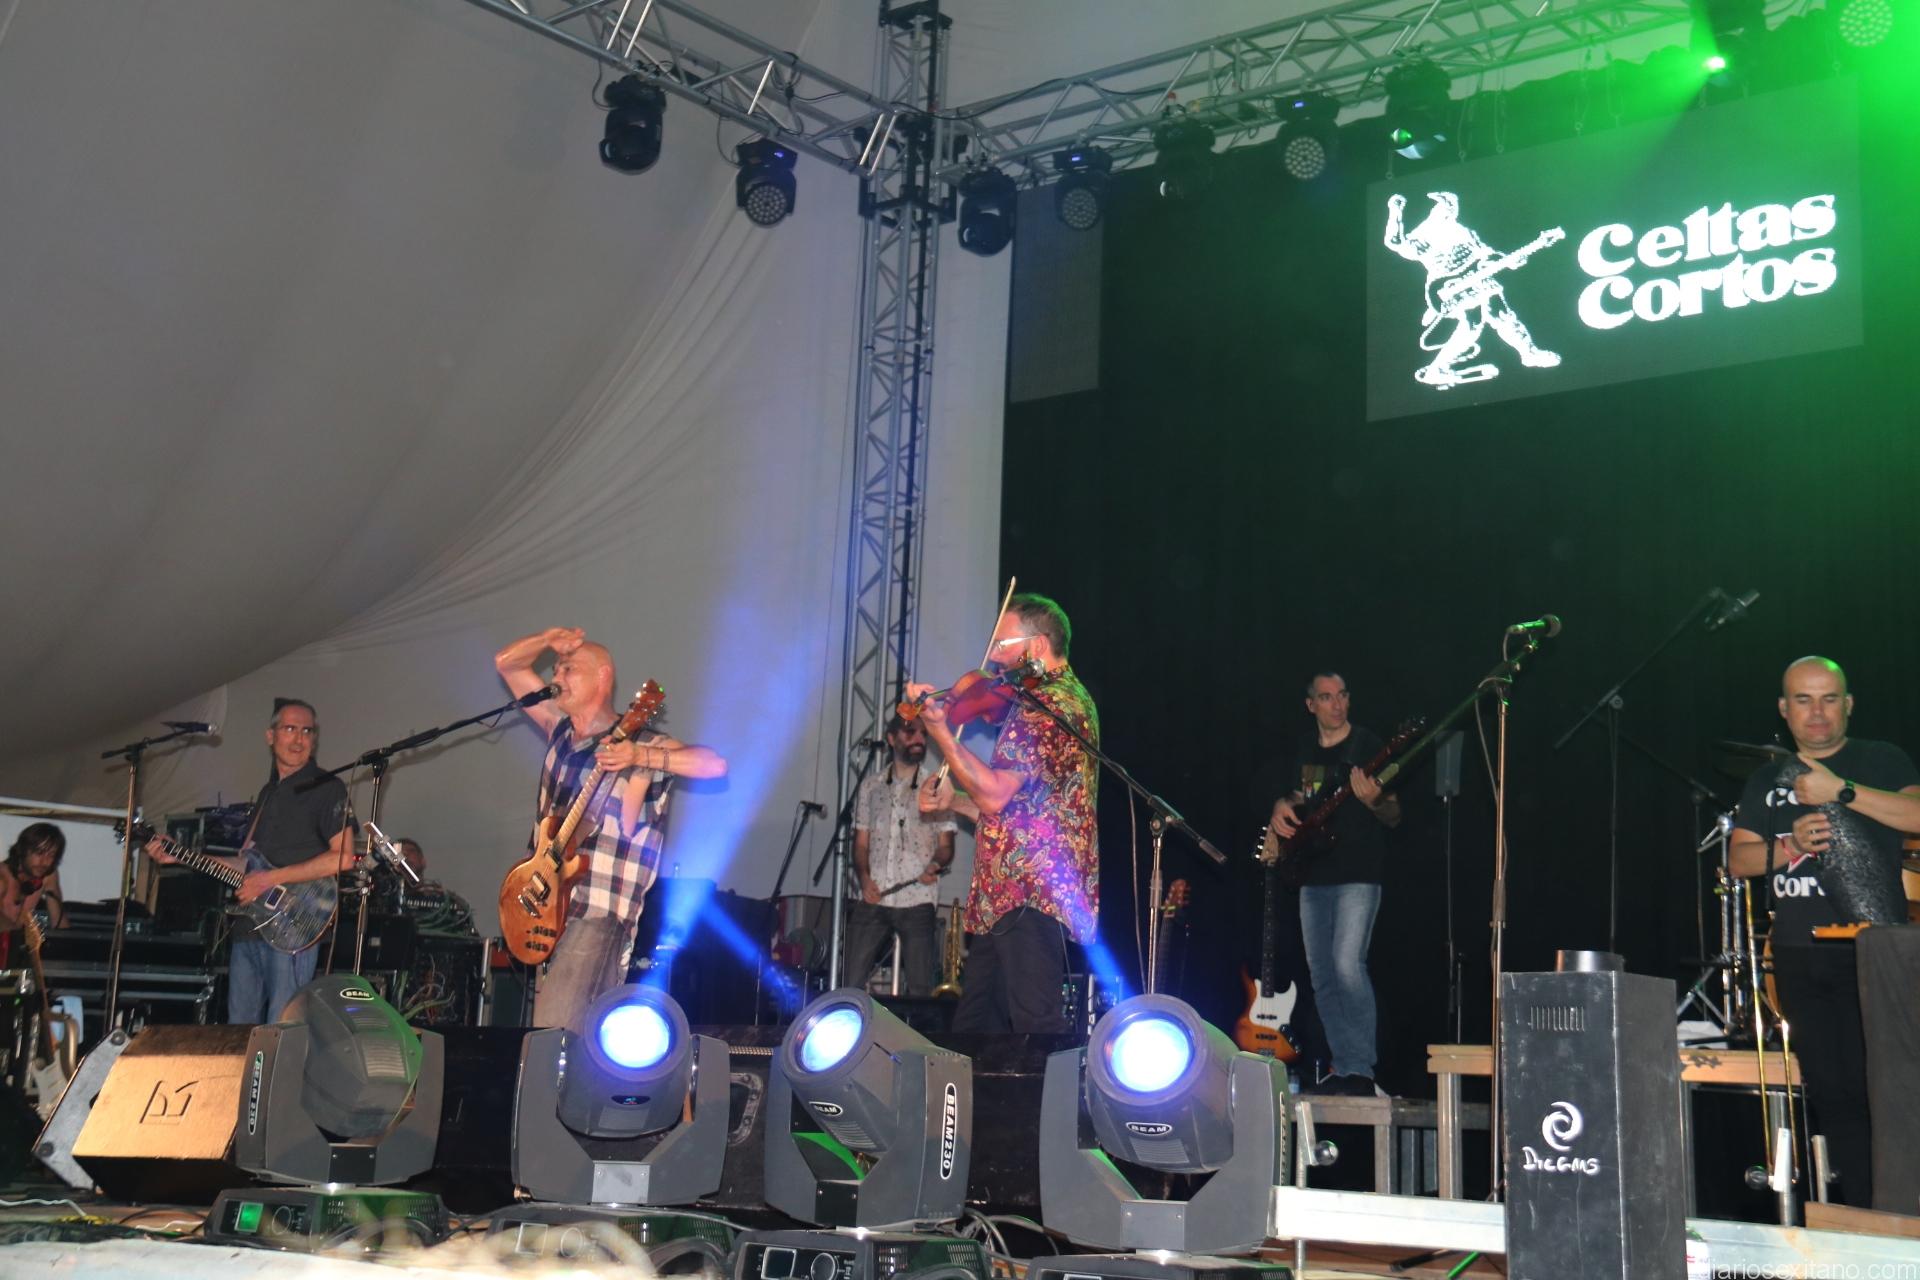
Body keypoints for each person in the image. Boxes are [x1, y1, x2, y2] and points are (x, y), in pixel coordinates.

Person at [1729, 656, 1920, 1207]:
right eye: (1804, 700)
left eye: (1829, 698)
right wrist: (1790, 844)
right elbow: (1739, 861)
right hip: (1799, 953)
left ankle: (1901, 1213)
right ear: (1784, 709)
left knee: (1887, 1089)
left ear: (1849, 705)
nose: (1817, 712)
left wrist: (1842, 791)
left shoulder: (1880, 759)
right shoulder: (1767, 778)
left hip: (1874, 951)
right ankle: (1860, 1217)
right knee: (1832, 1094)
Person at [495, 626, 725, 1032]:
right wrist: (547, 641)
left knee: (553, 1033)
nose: (556, 676)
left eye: (569, 668)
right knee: (556, 1040)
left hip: (599, 912)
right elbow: (507, 664)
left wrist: (641, 756)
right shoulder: (558, 730)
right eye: (556, 669)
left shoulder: (642, 742)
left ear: (603, 677)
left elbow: (714, 765)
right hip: (546, 907)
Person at [908, 593, 1098, 1035]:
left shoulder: (1047, 706)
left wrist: (940, 731)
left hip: (1029, 891)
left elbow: (994, 797)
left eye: (1001, 644)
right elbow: (1012, 814)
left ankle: (1047, 1085)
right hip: (1008, 895)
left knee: (1036, 1029)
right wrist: (955, 801)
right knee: (975, 1029)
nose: (993, 657)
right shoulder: (1051, 701)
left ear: (1037, 645)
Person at [148, 698, 357, 1023]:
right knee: (239, 1028)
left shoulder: (327, 787)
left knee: (281, 1028)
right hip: (250, 925)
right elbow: (247, 864)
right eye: (290, 729)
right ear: (270, 736)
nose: (299, 739)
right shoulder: (267, 793)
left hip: (295, 924)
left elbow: (343, 858)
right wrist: (181, 856)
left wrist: (270, 879)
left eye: (307, 731)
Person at [1267, 672, 1401, 1097]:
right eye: (1326, 697)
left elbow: (1394, 813)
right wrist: (1281, 805)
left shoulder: (1367, 745)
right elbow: (1300, 796)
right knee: (1322, 974)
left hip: (1358, 875)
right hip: (1312, 875)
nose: (1337, 704)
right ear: (1311, 705)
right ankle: (1345, 1066)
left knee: (1347, 965)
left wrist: (1375, 800)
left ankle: (1363, 1067)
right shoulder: (1305, 748)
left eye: (1342, 695)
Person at [843, 713, 955, 995]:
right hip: (875, 894)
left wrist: (935, 864)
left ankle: (915, 1026)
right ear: (892, 739)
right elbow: (861, 844)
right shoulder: (871, 786)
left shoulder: (937, 786)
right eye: (910, 732)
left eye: (923, 734)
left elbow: (946, 845)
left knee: (920, 989)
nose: (919, 739)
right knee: (851, 982)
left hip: (917, 898)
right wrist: (864, 879)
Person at [0, 822, 69, 967]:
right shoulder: (3, 878)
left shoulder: (47, 876)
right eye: (39, 853)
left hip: (14, 955)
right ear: (23, 851)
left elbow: (60, 923)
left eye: (51, 855)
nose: (44, 861)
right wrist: (21, 933)